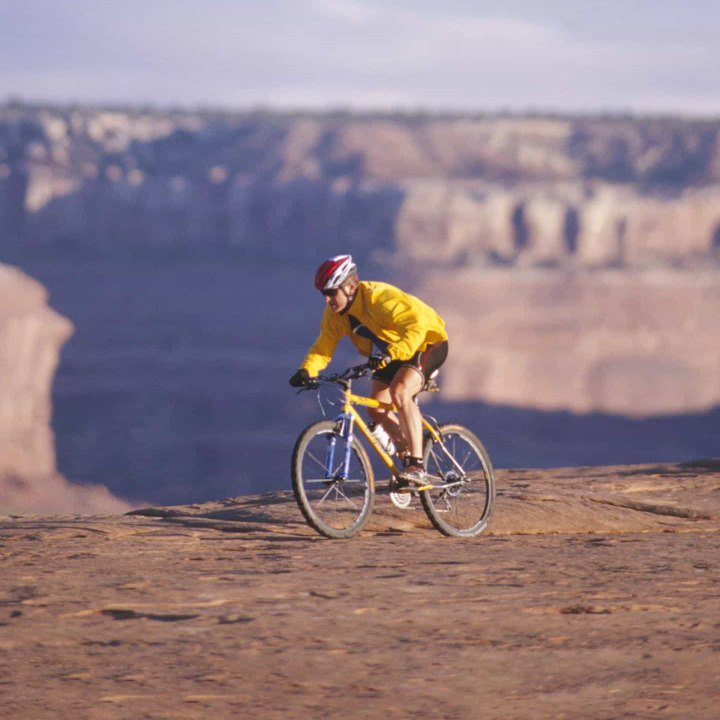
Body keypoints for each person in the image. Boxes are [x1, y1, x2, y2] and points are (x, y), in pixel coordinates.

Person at [289, 254, 449, 486]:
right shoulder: (335, 315)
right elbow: (323, 346)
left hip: (426, 342)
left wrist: (391, 353)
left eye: (331, 292)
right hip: (391, 352)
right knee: (376, 409)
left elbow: (415, 327)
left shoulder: (379, 297)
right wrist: (307, 370)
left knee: (400, 392)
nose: (326, 299)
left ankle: (418, 465)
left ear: (350, 286)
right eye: (323, 294)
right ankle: (406, 457)